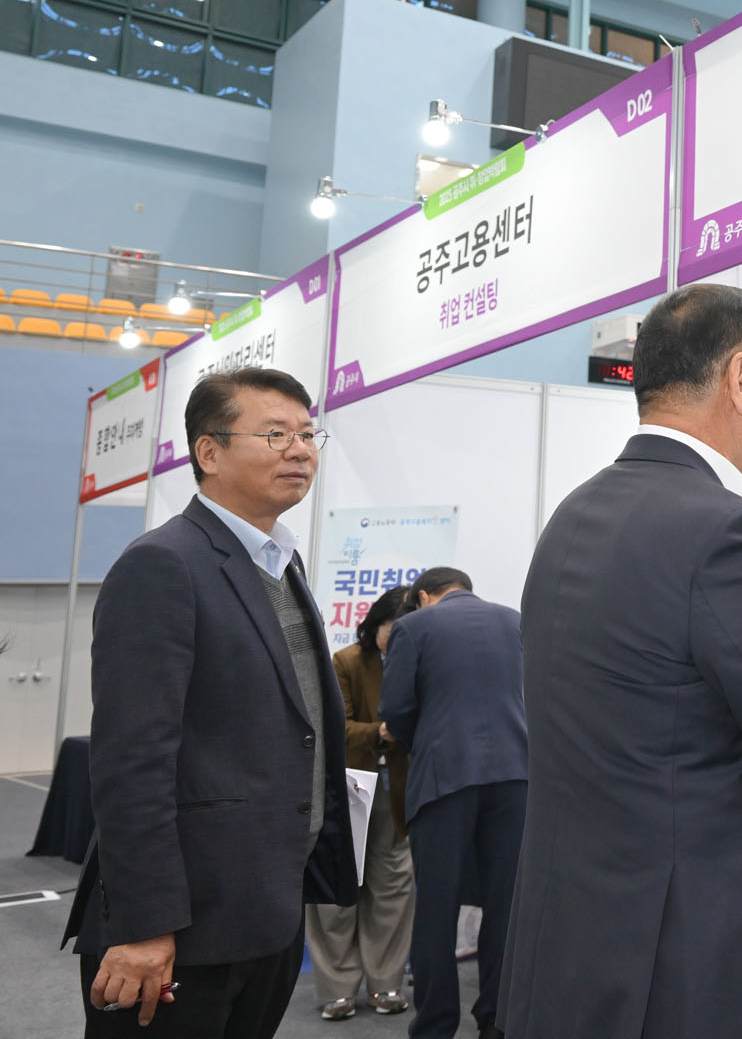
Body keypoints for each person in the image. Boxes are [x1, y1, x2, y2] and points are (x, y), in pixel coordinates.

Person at [498, 283, 742, 1039]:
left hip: (573, 933)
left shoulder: (571, 517)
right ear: (741, 378)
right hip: (696, 947)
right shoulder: (732, 533)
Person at [63, 367, 357, 1038]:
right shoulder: (164, 564)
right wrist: (144, 925)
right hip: (180, 924)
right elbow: (131, 763)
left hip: (267, 909)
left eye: (308, 434)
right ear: (209, 452)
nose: (300, 450)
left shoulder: (280, 563)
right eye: (275, 434)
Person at [377, 568, 527, 1039]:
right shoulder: (515, 620)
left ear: (424, 596)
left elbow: (396, 710)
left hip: (445, 777)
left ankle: (436, 1024)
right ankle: (496, 1020)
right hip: (516, 775)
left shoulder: (412, 627)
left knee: (436, 909)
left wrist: (425, 739)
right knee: (505, 905)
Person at [305, 586, 416, 1021]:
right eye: (394, 630)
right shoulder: (347, 661)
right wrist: (380, 733)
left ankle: (386, 983)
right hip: (350, 787)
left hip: (399, 791)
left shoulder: (419, 662)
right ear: (376, 626)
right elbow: (335, 727)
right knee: (337, 890)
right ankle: (337, 988)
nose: (400, 639)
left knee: (393, 889)